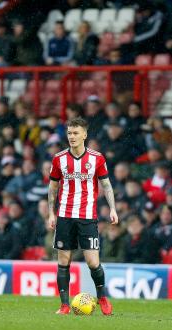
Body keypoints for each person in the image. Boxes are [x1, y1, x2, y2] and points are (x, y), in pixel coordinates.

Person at [48, 117, 117, 315]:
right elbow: (52, 188)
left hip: (87, 216)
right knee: (63, 261)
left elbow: (106, 185)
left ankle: (103, 298)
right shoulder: (59, 159)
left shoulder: (97, 158)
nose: (72, 137)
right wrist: (51, 213)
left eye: (76, 133)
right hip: (65, 216)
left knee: (93, 262)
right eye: (69, 133)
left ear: (85, 135)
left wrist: (112, 208)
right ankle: (64, 305)